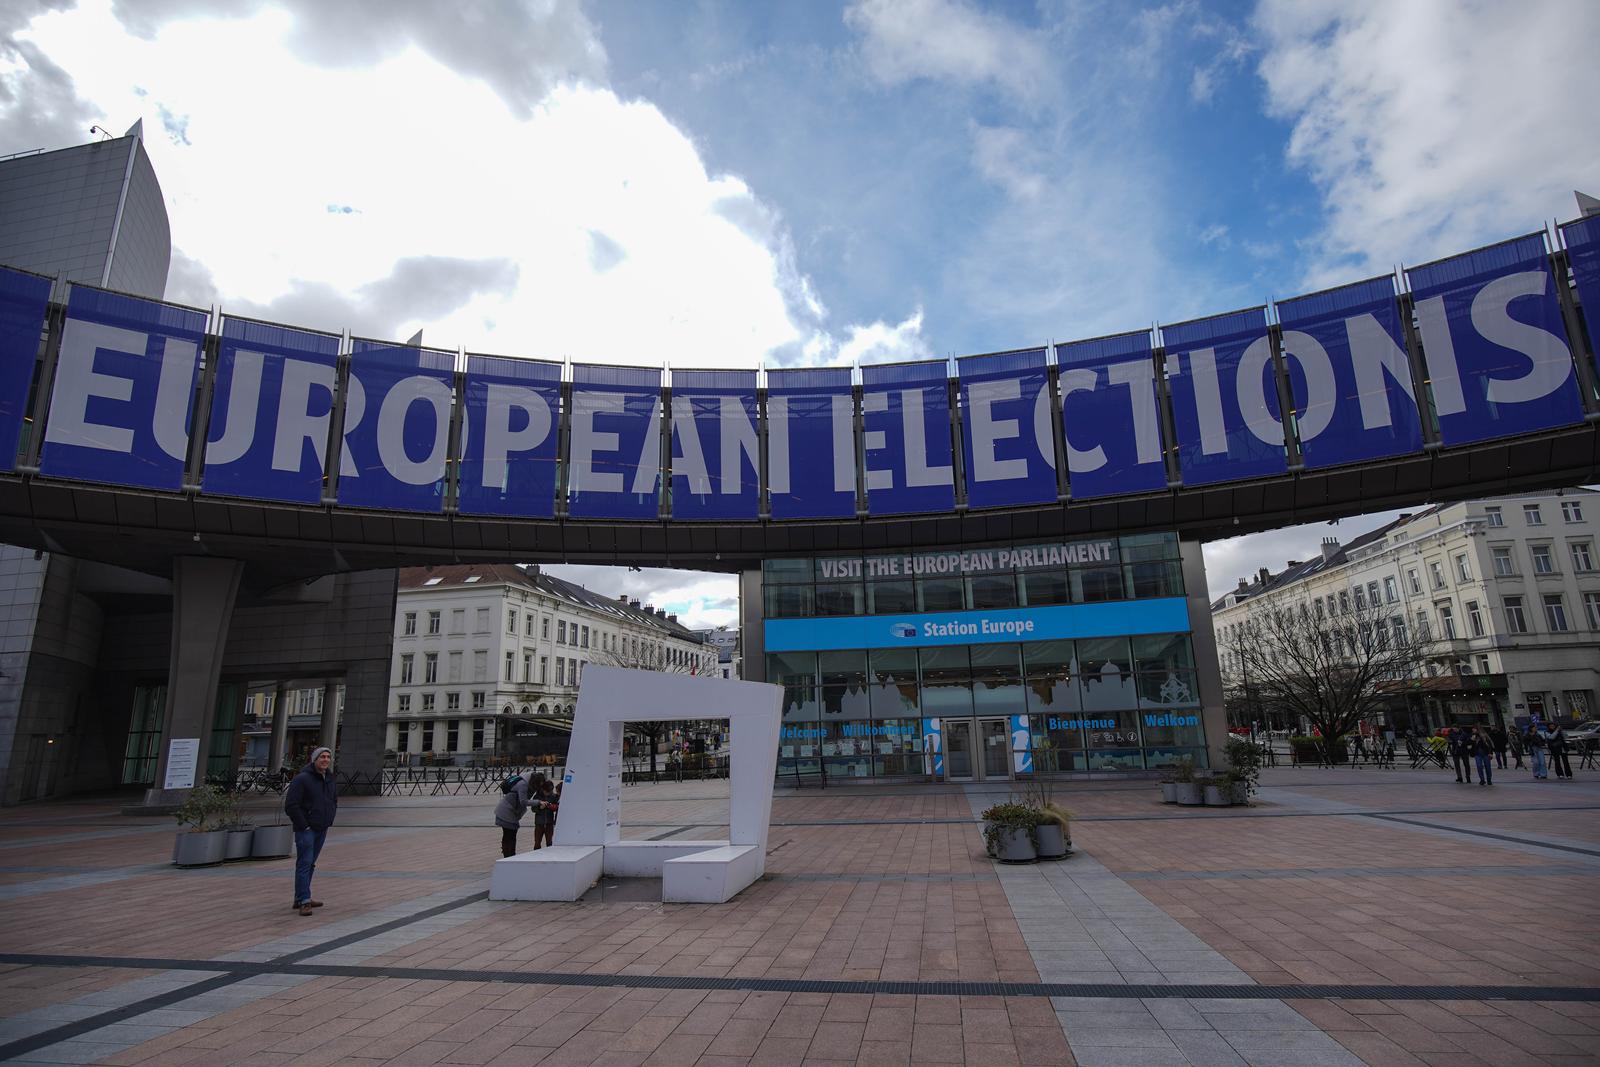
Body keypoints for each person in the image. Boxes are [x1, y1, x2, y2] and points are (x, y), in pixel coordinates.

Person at [284, 746, 337, 917]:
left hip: (322, 826)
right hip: (307, 829)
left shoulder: (328, 778)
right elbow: (291, 805)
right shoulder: (302, 779)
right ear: (314, 759)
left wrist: (329, 818)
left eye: (328, 757)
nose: (325, 760)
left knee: (310, 863)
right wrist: (304, 825)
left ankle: (300, 896)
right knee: (305, 863)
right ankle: (304, 901)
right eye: (322, 757)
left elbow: (332, 799)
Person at [494, 771, 545, 857]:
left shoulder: (530, 782)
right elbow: (523, 802)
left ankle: (509, 855)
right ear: (534, 782)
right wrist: (538, 802)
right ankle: (509, 855)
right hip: (506, 811)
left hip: (511, 811)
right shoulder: (523, 785)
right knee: (509, 835)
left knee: (509, 835)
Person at [532, 777, 559, 849]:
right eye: (547, 791)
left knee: (549, 842)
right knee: (537, 842)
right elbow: (533, 808)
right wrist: (539, 808)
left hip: (549, 823)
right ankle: (536, 856)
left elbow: (557, 807)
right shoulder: (537, 796)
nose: (549, 793)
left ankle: (549, 857)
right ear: (543, 790)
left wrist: (550, 806)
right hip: (539, 823)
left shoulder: (553, 796)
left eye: (550, 791)